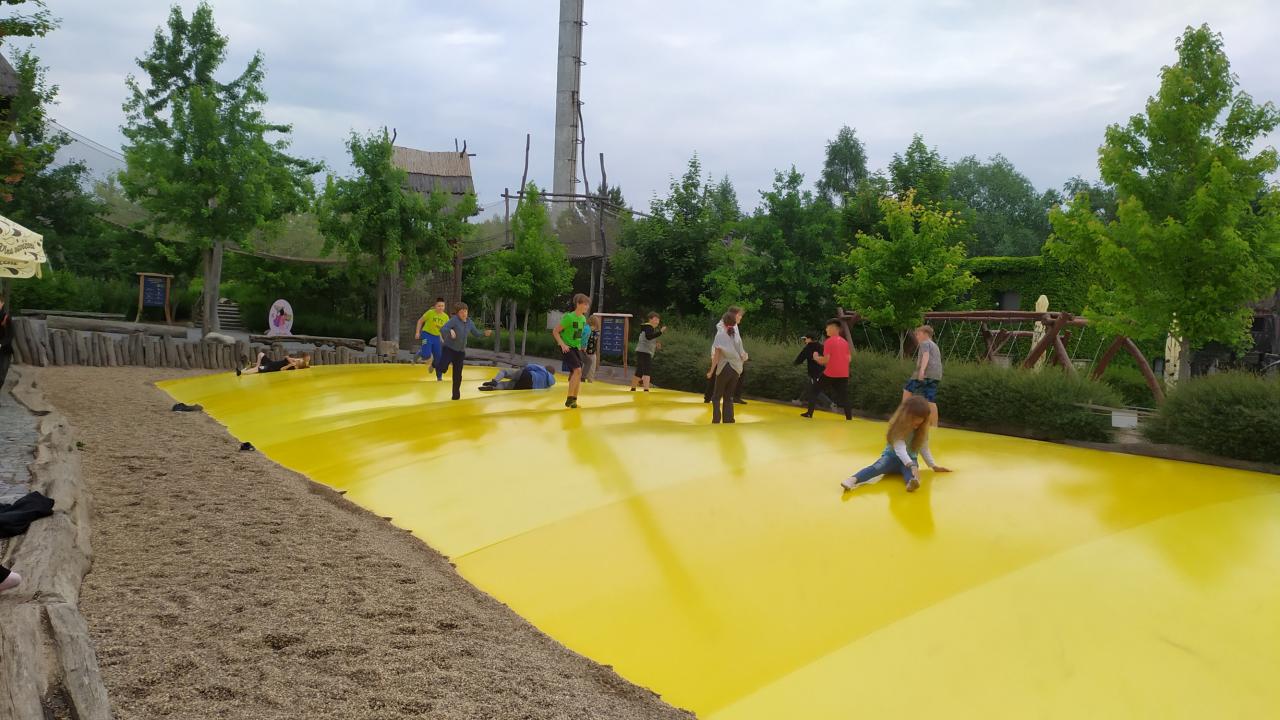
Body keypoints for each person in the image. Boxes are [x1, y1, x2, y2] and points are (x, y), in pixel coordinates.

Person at [841, 396, 951, 492]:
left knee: (912, 474)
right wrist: (911, 465)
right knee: (877, 467)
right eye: (914, 423)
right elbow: (900, 449)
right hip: (891, 457)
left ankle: (911, 483)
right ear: (905, 417)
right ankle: (852, 479)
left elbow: (924, 448)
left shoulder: (921, 430)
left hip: (910, 460)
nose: (916, 426)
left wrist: (933, 465)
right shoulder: (897, 428)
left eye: (919, 424)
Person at [801, 320, 853, 420]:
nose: (826, 329)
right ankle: (849, 418)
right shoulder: (845, 342)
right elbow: (849, 359)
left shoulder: (829, 342)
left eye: (827, 327)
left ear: (833, 328)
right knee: (844, 396)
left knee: (814, 390)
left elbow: (826, 360)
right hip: (843, 373)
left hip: (831, 373)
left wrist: (816, 357)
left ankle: (809, 414)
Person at [441, 302, 492, 401]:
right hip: (449, 349)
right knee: (442, 369)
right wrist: (450, 331)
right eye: (461, 312)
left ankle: (456, 396)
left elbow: (476, 334)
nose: (464, 313)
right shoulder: (454, 320)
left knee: (457, 375)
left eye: (465, 311)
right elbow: (443, 329)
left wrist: (484, 334)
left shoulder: (470, 323)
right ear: (457, 313)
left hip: (460, 352)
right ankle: (435, 364)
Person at [553, 293, 591, 409]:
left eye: (588, 305)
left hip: (575, 348)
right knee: (578, 370)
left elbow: (578, 335)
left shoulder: (583, 319)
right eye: (585, 304)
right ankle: (569, 398)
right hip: (567, 347)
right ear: (578, 304)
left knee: (578, 373)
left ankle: (574, 400)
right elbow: (555, 331)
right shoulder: (569, 317)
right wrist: (562, 344)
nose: (587, 307)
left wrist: (580, 346)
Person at [704, 306, 748, 404]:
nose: (741, 317)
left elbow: (737, 342)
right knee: (716, 373)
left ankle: (734, 396)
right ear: (734, 315)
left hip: (730, 356)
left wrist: (742, 354)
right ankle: (709, 396)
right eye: (739, 315)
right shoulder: (724, 325)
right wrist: (741, 354)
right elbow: (726, 342)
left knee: (737, 373)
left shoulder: (734, 325)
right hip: (723, 354)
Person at [707, 310, 745, 424]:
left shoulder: (720, 335)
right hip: (736, 369)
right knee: (729, 396)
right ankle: (729, 420)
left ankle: (716, 419)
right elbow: (743, 354)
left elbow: (716, 355)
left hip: (725, 367)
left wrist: (711, 371)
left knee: (716, 396)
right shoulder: (736, 335)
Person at [903, 324, 943, 426]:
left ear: (925, 334)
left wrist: (922, 370)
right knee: (930, 400)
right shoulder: (935, 345)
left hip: (926, 373)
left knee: (907, 390)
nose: (916, 336)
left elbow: (926, 356)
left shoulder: (925, 343)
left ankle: (903, 417)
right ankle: (934, 425)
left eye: (918, 334)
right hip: (935, 375)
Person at [630, 312, 666, 392]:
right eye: (655, 319)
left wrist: (655, 343)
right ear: (650, 319)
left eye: (658, 320)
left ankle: (633, 388)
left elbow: (648, 338)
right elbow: (649, 337)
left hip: (642, 351)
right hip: (644, 352)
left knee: (639, 371)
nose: (657, 321)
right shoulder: (649, 327)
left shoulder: (648, 328)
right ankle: (646, 390)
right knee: (647, 370)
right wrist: (660, 332)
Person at [414, 297, 450, 378]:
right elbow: (420, 321)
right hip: (426, 334)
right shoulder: (430, 313)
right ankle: (420, 352)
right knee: (426, 355)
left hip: (436, 337)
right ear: (435, 306)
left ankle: (439, 378)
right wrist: (417, 332)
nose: (441, 308)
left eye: (442, 306)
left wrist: (443, 338)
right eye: (439, 306)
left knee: (439, 359)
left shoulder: (446, 317)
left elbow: (446, 328)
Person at [794, 332, 828, 406]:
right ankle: (799, 400)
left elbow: (801, 357)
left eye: (805, 339)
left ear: (810, 339)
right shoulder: (821, 346)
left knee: (814, 389)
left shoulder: (809, 348)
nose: (804, 341)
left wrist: (795, 363)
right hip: (823, 370)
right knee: (809, 386)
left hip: (815, 372)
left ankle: (831, 404)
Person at [480, 364, 557, 391]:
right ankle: (493, 388)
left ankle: (495, 381)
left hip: (528, 375)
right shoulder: (549, 384)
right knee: (505, 386)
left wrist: (522, 369)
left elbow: (529, 366)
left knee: (505, 371)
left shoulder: (542, 369)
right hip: (528, 386)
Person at [236, 351, 312, 376]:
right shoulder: (296, 361)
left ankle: (241, 372)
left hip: (271, 368)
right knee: (261, 354)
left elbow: (281, 369)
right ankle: (257, 365)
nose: (298, 360)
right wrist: (290, 360)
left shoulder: (294, 367)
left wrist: (290, 364)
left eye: (299, 361)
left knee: (258, 369)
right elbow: (287, 357)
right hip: (271, 363)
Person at [0, 295, 12, 398]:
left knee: (1, 376)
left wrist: (1, 344)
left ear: (2, 303)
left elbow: (10, 335)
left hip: (5, 351)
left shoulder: (6, 318)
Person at [583, 315, 600, 382]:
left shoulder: (596, 332)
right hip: (585, 351)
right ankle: (583, 378)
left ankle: (590, 379)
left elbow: (595, 341)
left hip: (592, 352)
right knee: (586, 365)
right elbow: (584, 339)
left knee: (591, 367)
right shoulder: (587, 330)